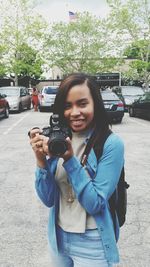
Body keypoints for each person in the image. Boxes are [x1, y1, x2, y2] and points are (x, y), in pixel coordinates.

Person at [29, 73, 124, 267]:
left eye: (82, 104)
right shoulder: (59, 138)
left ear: (95, 104)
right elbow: (48, 199)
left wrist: (70, 160)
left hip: (93, 242)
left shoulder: (110, 144)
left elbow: (95, 203)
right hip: (59, 237)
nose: (74, 112)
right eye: (67, 106)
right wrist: (40, 160)